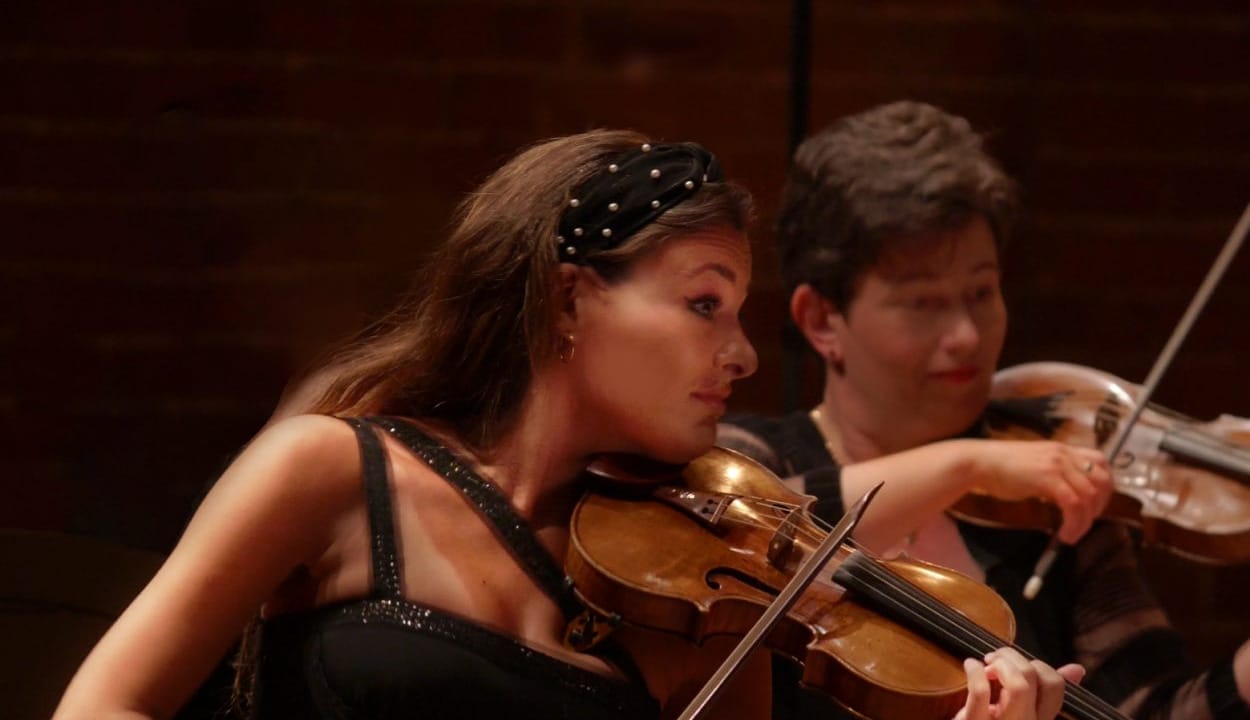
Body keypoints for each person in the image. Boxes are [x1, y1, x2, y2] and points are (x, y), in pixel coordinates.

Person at [54, 129, 1077, 720]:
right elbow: (103, 706)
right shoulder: (330, 471)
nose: (741, 355)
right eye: (703, 303)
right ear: (568, 299)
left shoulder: (691, 609)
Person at [718, 101, 1250, 720]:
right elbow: (758, 531)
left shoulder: (1045, 505)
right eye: (923, 303)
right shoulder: (747, 462)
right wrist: (965, 464)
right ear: (821, 320)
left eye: (980, 291)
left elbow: (1151, 710)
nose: (967, 335)